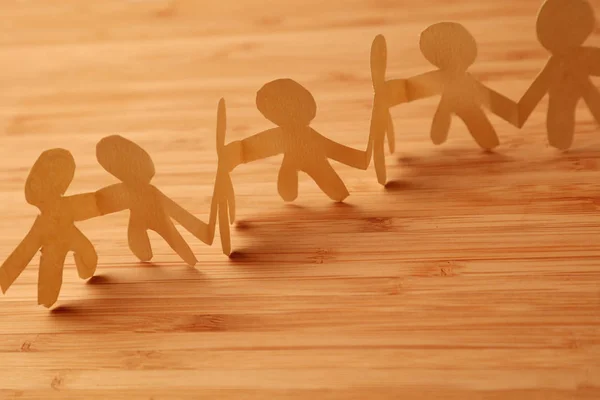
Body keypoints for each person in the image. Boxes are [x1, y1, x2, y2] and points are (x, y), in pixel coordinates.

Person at [370, 24, 518, 183]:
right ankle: (485, 137)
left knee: (473, 120)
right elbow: (412, 88)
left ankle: (485, 137)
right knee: (473, 121)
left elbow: (414, 88)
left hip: (462, 100)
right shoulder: (448, 78)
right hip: (459, 100)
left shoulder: (456, 79)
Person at [222, 78, 372, 202]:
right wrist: (235, 154)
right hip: (296, 165)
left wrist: (361, 159)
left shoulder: (298, 135)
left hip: (311, 163)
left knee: (327, 187)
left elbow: (335, 149)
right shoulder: (286, 136)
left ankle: (333, 191)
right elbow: (252, 147)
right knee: (292, 190)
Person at [94, 135, 221, 265]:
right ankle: (192, 254)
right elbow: (102, 201)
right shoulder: (131, 191)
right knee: (170, 240)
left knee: (173, 239)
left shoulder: (144, 192)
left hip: (149, 221)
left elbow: (178, 212)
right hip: (141, 223)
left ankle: (192, 254)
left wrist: (202, 231)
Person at [0, 149, 99, 307]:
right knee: (49, 287)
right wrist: (4, 278)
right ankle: (49, 296)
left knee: (88, 257)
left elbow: (94, 203)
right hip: (54, 243)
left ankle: (82, 271)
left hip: (70, 236)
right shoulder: (43, 225)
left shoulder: (67, 206)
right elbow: (22, 253)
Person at [517, 0, 600, 150]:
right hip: (562, 96)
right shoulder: (557, 64)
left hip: (570, 93)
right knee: (559, 138)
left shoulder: (584, 57)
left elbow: (528, 102)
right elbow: (532, 97)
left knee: (560, 136)